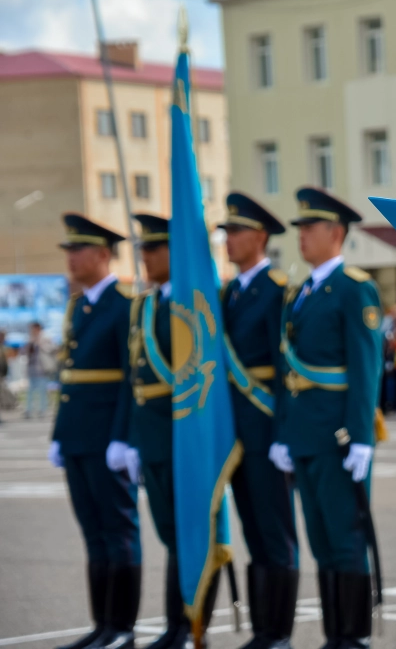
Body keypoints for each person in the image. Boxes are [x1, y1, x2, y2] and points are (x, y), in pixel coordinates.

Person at [270, 187, 383, 649]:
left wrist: (361, 437)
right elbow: (285, 370)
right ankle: (334, 635)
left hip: (338, 436)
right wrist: (284, 432)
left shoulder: (355, 288)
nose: (302, 236)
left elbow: (365, 367)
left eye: (310, 227)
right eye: (299, 228)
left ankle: (352, 637)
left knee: (345, 539)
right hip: (304, 435)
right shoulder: (300, 292)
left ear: (335, 232)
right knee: (319, 540)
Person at [124, 214, 221, 649]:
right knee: (169, 534)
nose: (145, 257)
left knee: (191, 534)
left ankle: (190, 625)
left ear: (174, 253)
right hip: (153, 436)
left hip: (185, 434)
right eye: (143, 250)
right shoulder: (145, 304)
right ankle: (173, 626)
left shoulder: (192, 300)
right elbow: (135, 378)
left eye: (154, 249)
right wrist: (128, 436)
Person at [50, 214, 140, 649]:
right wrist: (59, 434)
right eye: (68, 251)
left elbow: (129, 378)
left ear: (102, 254)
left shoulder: (124, 305)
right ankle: (102, 624)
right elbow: (71, 376)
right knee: (93, 533)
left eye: (78, 250)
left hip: (108, 439)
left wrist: (123, 436)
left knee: (118, 531)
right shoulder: (81, 306)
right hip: (80, 438)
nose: (71, 258)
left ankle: (122, 627)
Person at [218, 193, 299, 649]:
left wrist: (284, 433)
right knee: (252, 531)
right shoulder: (228, 293)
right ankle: (261, 630)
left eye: (235, 232)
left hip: (267, 430)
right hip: (236, 434)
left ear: (260, 238)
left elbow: (288, 373)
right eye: (226, 232)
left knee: (275, 533)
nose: (228, 240)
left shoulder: (277, 291)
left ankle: (279, 633)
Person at [23, 321, 57, 418]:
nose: (32, 331)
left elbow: (53, 348)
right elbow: (24, 352)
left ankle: (43, 410)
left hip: (42, 368)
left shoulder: (46, 337)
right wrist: (30, 343)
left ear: (38, 328)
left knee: (42, 391)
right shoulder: (30, 338)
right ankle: (28, 410)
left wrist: (41, 344)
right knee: (30, 391)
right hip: (32, 369)